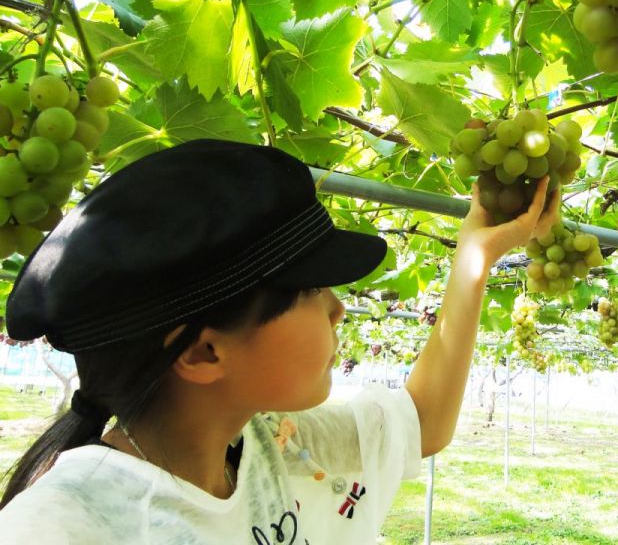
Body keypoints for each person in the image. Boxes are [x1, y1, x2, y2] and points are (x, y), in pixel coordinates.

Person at [0, 139, 558, 543]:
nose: (339, 308)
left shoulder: (267, 445)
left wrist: (475, 258)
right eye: (311, 289)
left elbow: (423, 422)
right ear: (202, 352)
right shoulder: (62, 530)